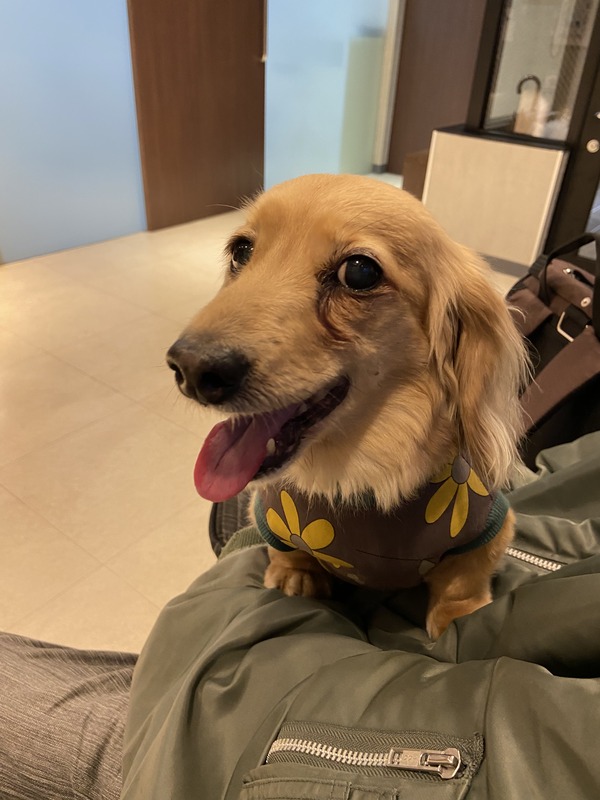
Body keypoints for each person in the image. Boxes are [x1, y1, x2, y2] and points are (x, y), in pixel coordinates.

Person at [2, 432, 600, 799]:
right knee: (251, 516)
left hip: (321, 737)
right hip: (543, 546)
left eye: (357, 276)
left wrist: (457, 596)